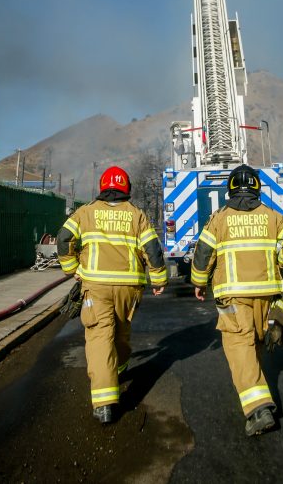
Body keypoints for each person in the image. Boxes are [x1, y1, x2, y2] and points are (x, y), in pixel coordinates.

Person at [190, 164, 283, 436]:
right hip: (266, 294)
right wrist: (281, 261)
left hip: (234, 295)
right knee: (256, 340)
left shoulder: (219, 218)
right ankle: (256, 384)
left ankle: (258, 407)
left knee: (239, 344)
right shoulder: (271, 216)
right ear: (257, 188)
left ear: (229, 189)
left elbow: (203, 254)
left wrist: (198, 282)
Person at [57, 165, 167, 425]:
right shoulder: (137, 215)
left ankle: (105, 403)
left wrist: (72, 268)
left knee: (98, 338)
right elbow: (152, 249)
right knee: (121, 332)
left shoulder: (85, 212)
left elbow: (63, 239)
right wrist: (159, 278)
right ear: (126, 188)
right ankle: (118, 368)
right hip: (129, 289)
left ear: (102, 188)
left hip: (96, 287)